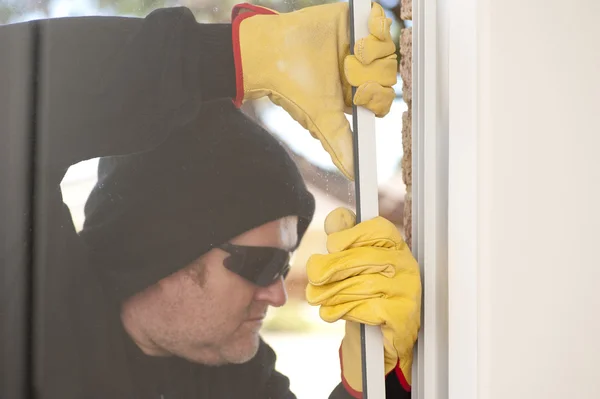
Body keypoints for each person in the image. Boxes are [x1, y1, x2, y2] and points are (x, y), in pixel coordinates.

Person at [0, 2, 420, 398]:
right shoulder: (29, 315)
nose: (278, 294)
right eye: (261, 266)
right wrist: (241, 57)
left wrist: (372, 383)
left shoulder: (235, 377)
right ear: (162, 251)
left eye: (283, 265)